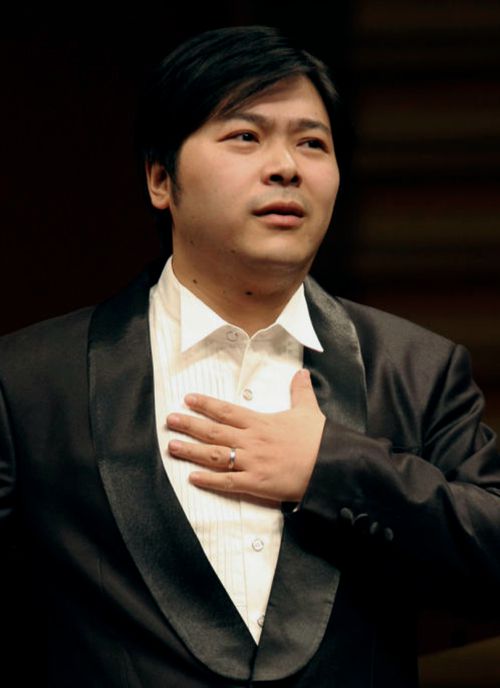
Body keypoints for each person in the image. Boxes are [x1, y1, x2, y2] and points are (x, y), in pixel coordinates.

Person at [1, 25, 499, 688]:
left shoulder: (415, 369)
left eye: (312, 142)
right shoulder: (30, 381)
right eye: (245, 135)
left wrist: (331, 468)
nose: (286, 166)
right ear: (161, 179)